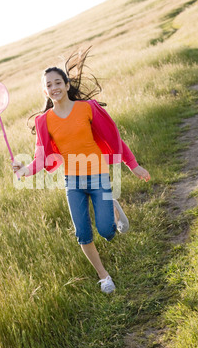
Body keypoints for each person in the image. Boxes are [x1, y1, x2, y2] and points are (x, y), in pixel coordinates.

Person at [13, 47, 150, 294]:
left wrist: (133, 165)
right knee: (83, 234)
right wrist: (24, 171)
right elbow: (41, 158)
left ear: (66, 85)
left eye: (58, 82)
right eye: (48, 85)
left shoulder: (87, 108)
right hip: (72, 182)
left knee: (107, 232)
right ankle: (104, 277)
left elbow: (113, 138)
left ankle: (113, 209)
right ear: (45, 91)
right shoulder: (44, 121)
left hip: (98, 176)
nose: (54, 87)